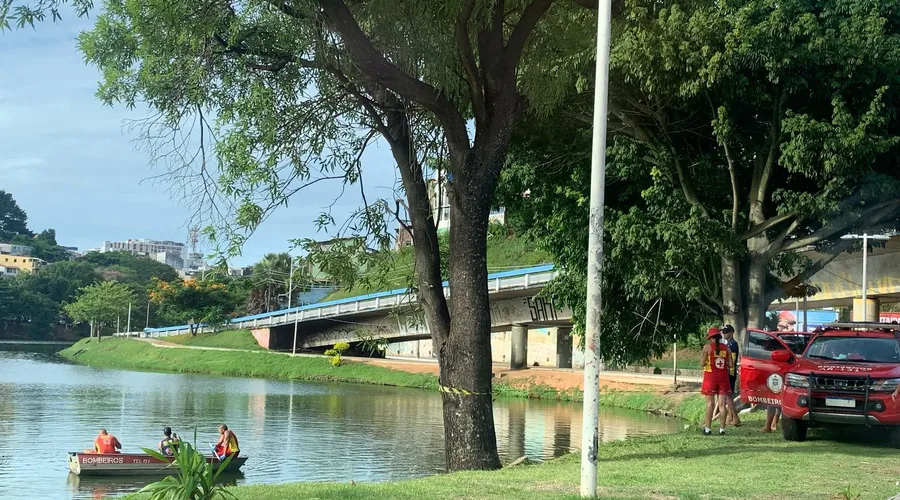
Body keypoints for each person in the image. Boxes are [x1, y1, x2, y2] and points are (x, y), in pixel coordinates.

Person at [700, 327, 732, 435]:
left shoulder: (707, 348)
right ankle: (722, 429)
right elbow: (731, 365)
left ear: (710, 338)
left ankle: (708, 428)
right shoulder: (727, 348)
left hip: (710, 378)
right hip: (723, 378)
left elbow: (702, 364)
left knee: (710, 404)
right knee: (722, 404)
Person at [721, 325, 743, 427]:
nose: (724, 334)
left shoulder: (732, 345)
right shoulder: (729, 344)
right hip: (730, 372)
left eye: (726, 332)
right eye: (723, 332)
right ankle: (730, 418)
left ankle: (735, 418)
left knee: (728, 396)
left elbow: (731, 361)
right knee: (728, 395)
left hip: (730, 372)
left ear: (731, 332)